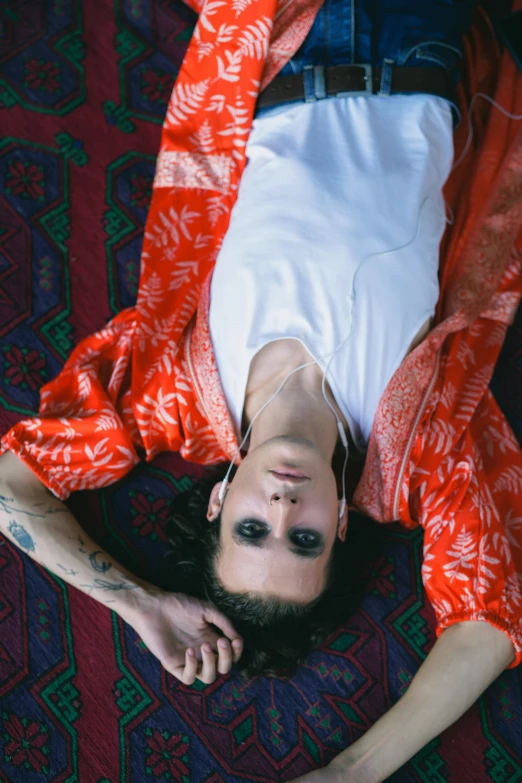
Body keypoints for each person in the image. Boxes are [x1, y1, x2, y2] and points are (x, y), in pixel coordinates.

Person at [1, 0, 522, 780]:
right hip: (422, 36)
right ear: (341, 523)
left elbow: (12, 486)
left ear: (218, 502)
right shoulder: (417, 450)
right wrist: (351, 772)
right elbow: (489, 620)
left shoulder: (172, 396)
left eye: (251, 531)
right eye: (303, 539)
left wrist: (141, 603)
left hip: (278, 34)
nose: (281, 511)